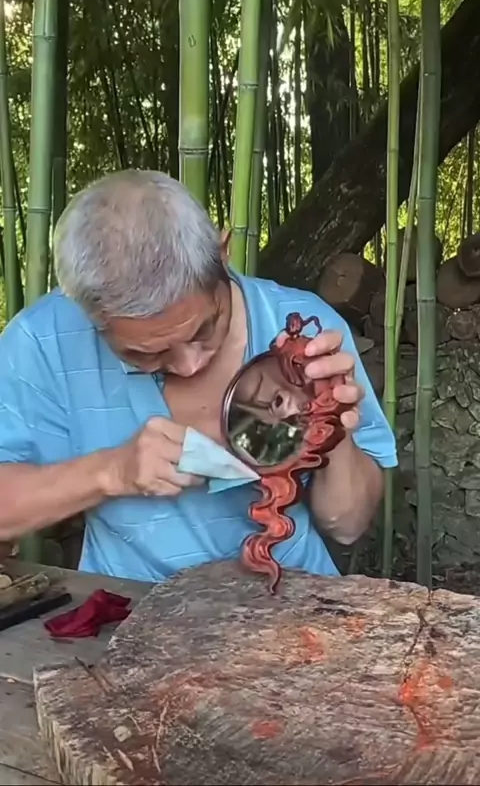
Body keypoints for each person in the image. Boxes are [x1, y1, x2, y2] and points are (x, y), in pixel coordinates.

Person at [0, 170, 397, 582]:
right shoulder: (45, 342)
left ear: (221, 254)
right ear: (88, 315)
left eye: (205, 329)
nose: (189, 366)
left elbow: (347, 525)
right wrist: (111, 472)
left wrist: (331, 423)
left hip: (295, 600)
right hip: (131, 605)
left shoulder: (307, 331)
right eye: (144, 353)